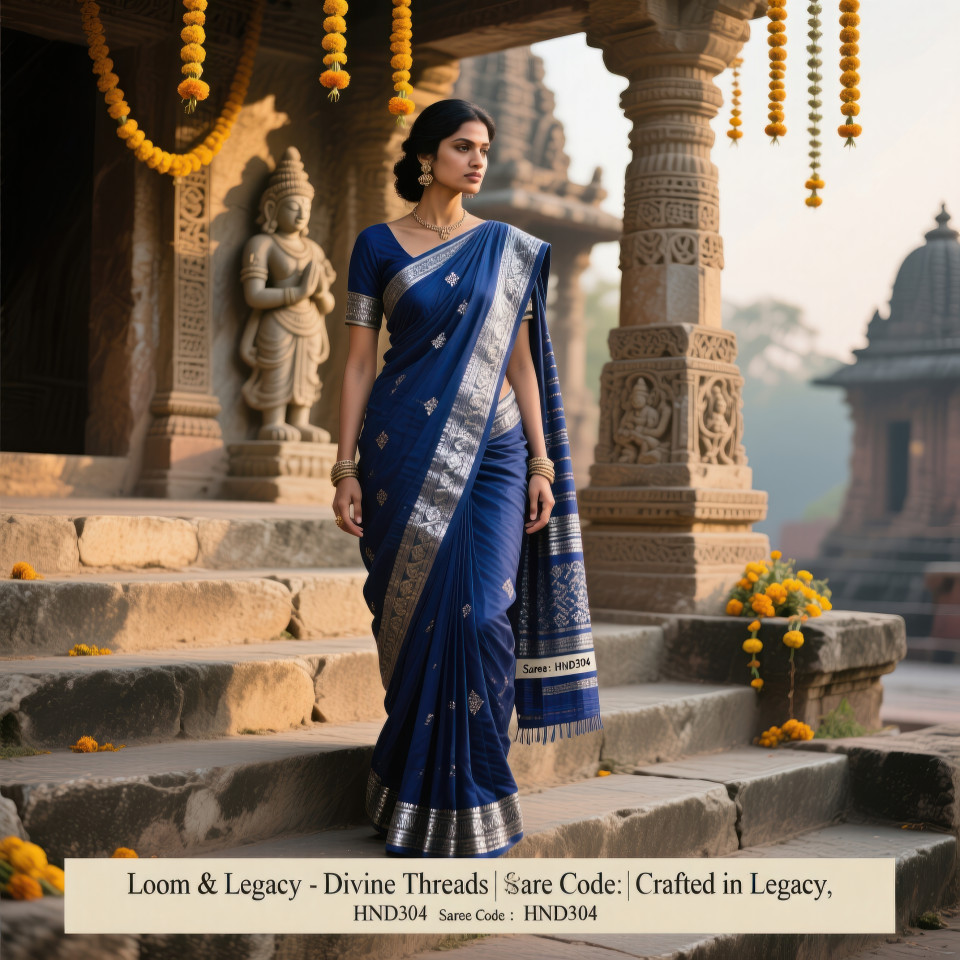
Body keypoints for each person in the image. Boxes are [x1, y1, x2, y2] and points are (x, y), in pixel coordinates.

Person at [331, 98, 601, 858]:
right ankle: (409, 791)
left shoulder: (507, 248)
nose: (478, 160)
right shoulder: (378, 246)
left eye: (484, 147)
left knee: (484, 613)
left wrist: (545, 460)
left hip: (498, 454)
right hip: (401, 449)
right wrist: (345, 463)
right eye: (462, 146)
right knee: (416, 619)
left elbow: (522, 364)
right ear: (425, 156)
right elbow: (356, 362)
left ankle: (479, 794)